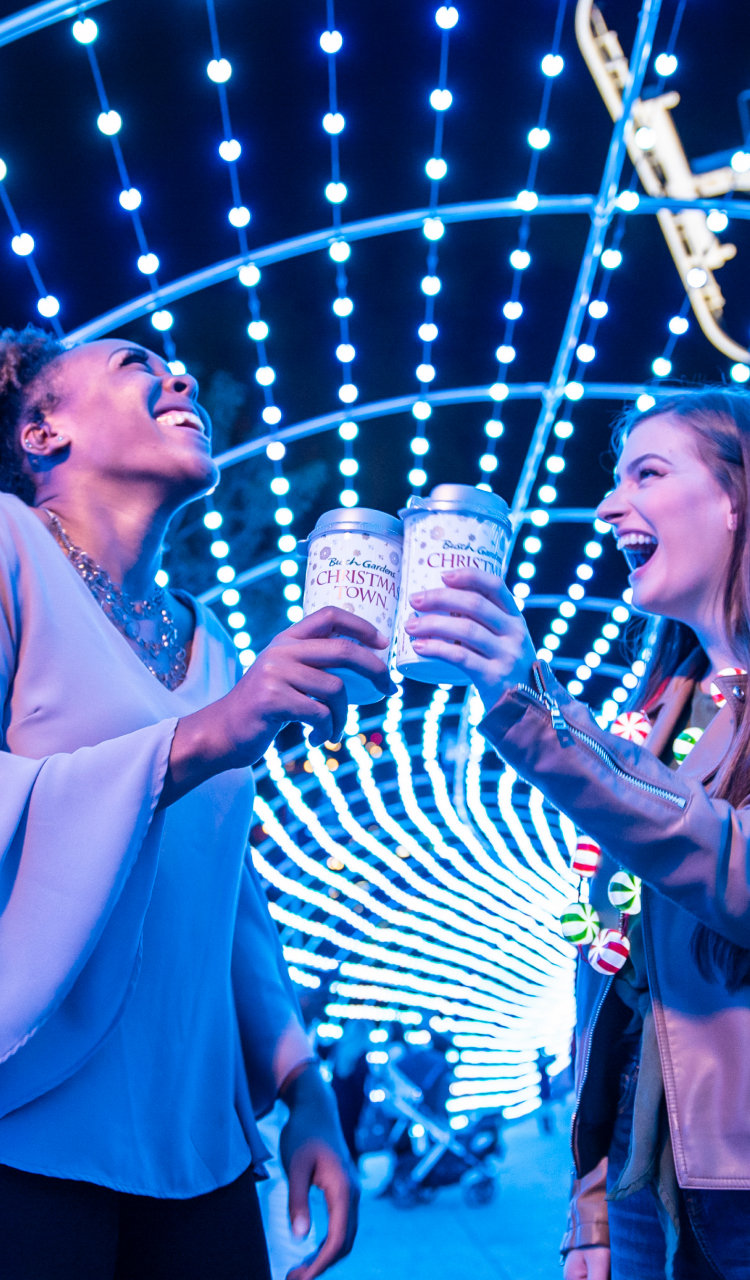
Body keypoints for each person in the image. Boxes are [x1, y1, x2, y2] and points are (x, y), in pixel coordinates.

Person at [0, 326, 392, 1280]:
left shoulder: (208, 638)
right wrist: (204, 735)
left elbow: (226, 895)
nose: (179, 373)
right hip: (26, 1134)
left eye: (174, 364)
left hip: (200, 1159)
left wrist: (303, 1087)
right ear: (44, 429)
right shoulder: (8, 550)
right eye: (136, 365)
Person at [403, 388, 750, 1279]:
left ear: (736, 497)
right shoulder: (659, 714)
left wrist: (535, 703)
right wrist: (590, 1201)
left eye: (649, 472)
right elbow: (609, 974)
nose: (607, 505)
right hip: (644, 1175)